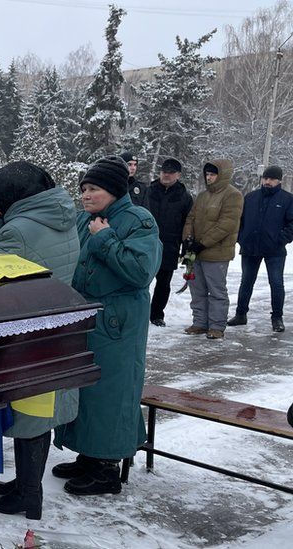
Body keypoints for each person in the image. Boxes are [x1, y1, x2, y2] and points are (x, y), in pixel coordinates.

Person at [0, 161, 80, 519]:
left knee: (32, 413)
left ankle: (29, 496)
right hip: (57, 328)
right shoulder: (62, 215)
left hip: (28, 333)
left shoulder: (18, 230)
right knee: (40, 412)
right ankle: (24, 484)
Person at [53, 156, 161, 496]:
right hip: (88, 316)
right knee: (87, 389)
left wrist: (105, 238)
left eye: (93, 189)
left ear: (114, 190)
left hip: (118, 321)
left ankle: (107, 468)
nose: (85, 195)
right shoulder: (87, 219)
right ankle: (89, 455)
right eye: (83, 188)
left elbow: (140, 271)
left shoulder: (138, 220)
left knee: (111, 391)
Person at [227, 165, 293, 333]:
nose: (268, 181)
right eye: (265, 178)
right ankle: (241, 314)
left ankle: (277, 318)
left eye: (271, 179)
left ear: (279, 180)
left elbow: (291, 224)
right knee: (246, 281)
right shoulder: (250, 197)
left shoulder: (287, 199)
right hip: (250, 247)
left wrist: (281, 239)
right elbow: (239, 221)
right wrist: (241, 238)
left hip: (275, 250)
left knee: (276, 284)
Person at [182, 159, 243, 339]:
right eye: (207, 174)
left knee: (216, 291)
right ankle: (200, 322)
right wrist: (187, 239)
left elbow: (227, 224)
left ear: (221, 175)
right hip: (196, 252)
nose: (209, 178)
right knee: (197, 289)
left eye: (212, 174)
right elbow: (190, 218)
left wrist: (203, 243)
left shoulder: (233, 195)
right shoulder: (202, 196)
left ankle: (216, 326)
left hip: (216, 252)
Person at [145, 157, 192, 327]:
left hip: (169, 245)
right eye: (164, 171)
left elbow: (188, 223)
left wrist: (186, 248)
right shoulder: (148, 191)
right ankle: (140, 312)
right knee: (141, 282)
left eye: (171, 172)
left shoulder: (184, 197)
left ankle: (157, 314)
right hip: (146, 245)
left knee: (163, 284)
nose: (166, 175)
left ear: (178, 175)